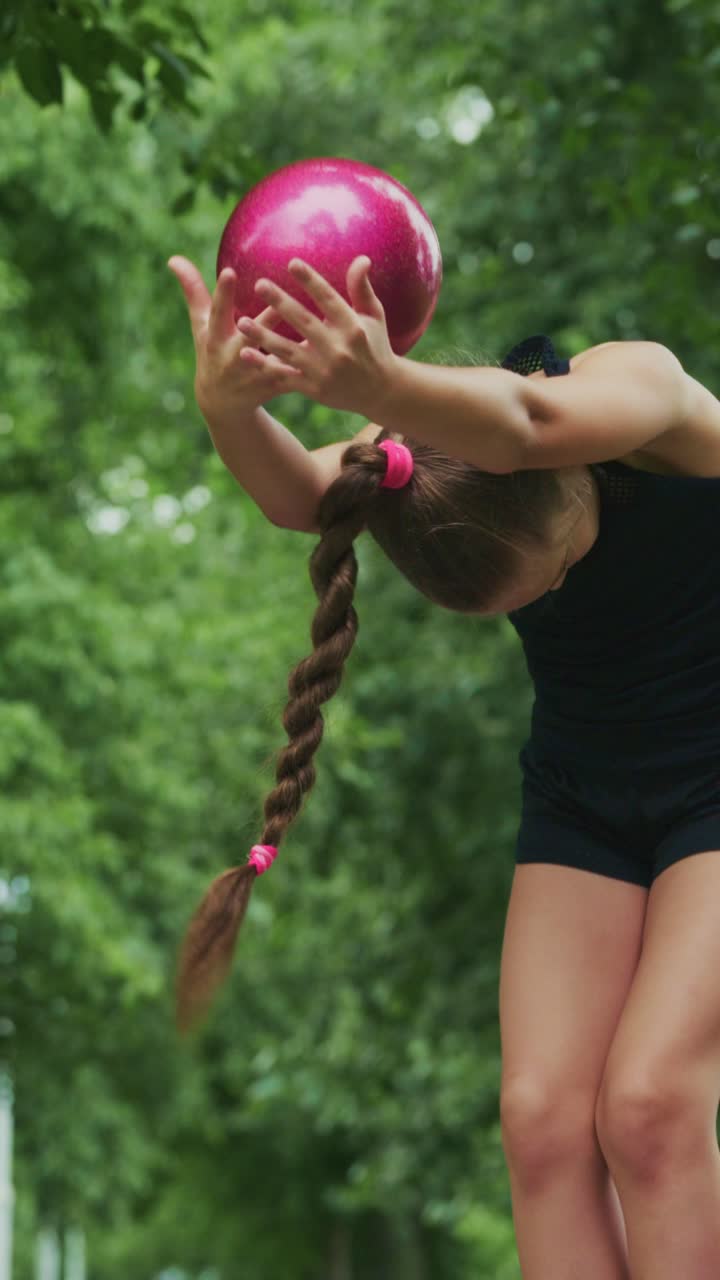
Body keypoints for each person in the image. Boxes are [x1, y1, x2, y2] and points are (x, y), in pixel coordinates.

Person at [168, 251, 720, 1280]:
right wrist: (226, 407)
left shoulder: (638, 391)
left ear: (559, 489)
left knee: (647, 1103)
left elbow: (524, 422)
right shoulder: (418, 457)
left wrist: (378, 380)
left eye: (555, 574)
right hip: (582, 788)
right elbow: (299, 496)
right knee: (540, 1120)